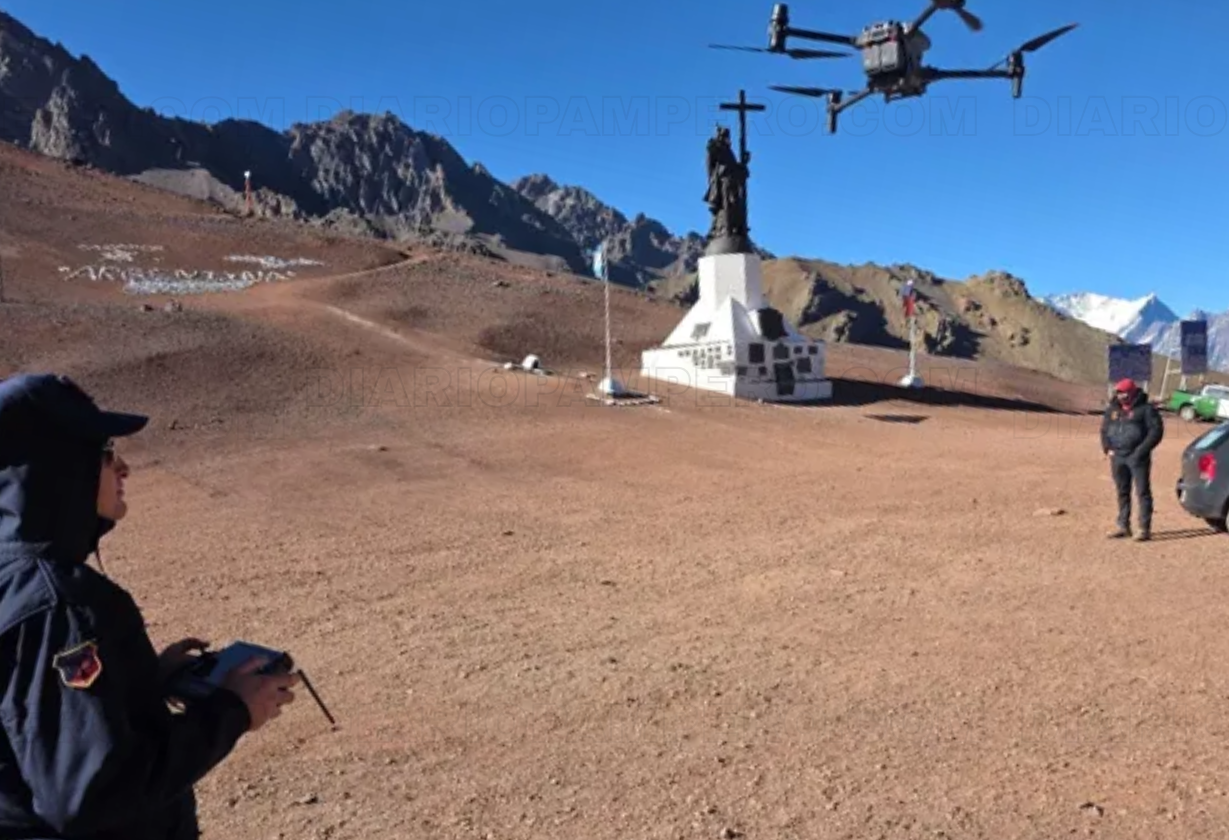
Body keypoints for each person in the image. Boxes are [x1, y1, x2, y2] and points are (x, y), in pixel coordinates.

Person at [0, 372, 298, 839]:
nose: (123, 468)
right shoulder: (60, 603)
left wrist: (137, 685)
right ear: (61, 464)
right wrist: (232, 711)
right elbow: (92, 793)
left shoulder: (14, 579)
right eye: (105, 452)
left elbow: (27, 726)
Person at [1100, 377, 1164, 541]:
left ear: (1132, 392)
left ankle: (1144, 528)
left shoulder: (1146, 409)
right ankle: (1123, 525)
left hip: (1137, 458)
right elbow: (1104, 430)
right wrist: (1107, 448)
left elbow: (1156, 431)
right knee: (1122, 491)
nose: (1121, 396)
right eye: (1119, 393)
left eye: (1124, 393)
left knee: (1142, 492)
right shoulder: (1112, 409)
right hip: (1117, 457)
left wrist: (1141, 451)